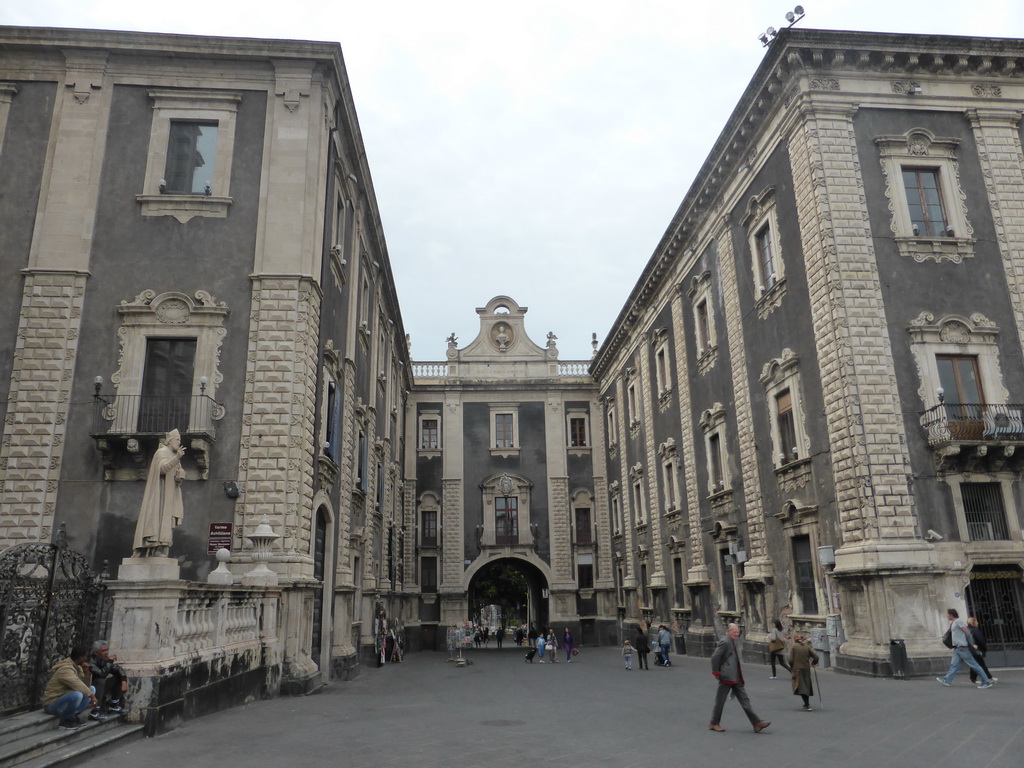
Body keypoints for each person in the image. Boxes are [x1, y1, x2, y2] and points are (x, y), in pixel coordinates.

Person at [133, 428, 186, 557]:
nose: (179, 442)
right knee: (158, 519)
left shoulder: (174, 455)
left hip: (169, 494)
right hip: (160, 494)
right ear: (170, 440)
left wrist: (180, 476)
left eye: (180, 440)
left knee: (166, 521)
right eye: (177, 440)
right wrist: (177, 458)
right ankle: (155, 547)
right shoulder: (161, 452)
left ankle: (162, 548)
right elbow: (162, 469)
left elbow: (175, 477)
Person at [709, 623, 770, 734]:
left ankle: (756, 723)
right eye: (734, 631)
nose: (736, 634)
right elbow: (715, 657)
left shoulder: (731, 641)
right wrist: (716, 672)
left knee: (745, 700)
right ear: (728, 631)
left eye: (737, 632)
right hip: (726, 676)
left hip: (735, 677)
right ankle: (714, 723)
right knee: (720, 701)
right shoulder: (725, 642)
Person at [42, 645, 98, 731]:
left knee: (92, 689)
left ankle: (73, 715)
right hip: (51, 704)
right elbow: (77, 684)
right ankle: (65, 721)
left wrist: (86, 672)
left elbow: (85, 686)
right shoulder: (65, 669)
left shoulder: (77, 667)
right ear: (80, 657)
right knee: (77, 695)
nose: (86, 659)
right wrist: (92, 697)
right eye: (85, 656)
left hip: (64, 699)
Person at [937, 607, 994, 688]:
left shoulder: (958, 621)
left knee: (974, 665)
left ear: (951, 615)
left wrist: (972, 643)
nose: (947, 616)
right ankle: (947, 680)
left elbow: (967, 632)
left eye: (947, 614)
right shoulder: (954, 623)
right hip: (957, 648)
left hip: (962, 647)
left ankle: (986, 682)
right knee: (954, 664)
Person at [89, 640, 127, 719]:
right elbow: (101, 674)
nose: (106, 652)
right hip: (90, 688)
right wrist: (109, 661)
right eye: (103, 651)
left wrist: (124, 681)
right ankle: (95, 710)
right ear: (96, 653)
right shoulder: (91, 662)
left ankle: (114, 704)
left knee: (118, 677)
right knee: (101, 681)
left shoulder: (103, 660)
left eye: (107, 650)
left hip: (100, 687)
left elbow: (118, 669)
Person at [788, 633, 818, 711]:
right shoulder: (807, 647)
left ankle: (807, 704)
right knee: (806, 685)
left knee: (800, 686)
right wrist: (814, 662)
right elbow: (816, 656)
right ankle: (806, 703)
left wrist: (792, 667)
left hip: (797, 669)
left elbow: (790, 660)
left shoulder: (794, 647)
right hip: (806, 668)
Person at [966, 617, 997, 684]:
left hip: (969, 649)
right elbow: (981, 640)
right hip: (976, 650)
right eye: (976, 621)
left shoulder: (967, 630)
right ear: (974, 622)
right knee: (981, 664)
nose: (978, 622)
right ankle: (989, 678)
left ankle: (973, 678)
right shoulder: (975, 630)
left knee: (975, 663)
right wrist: (984, 648)